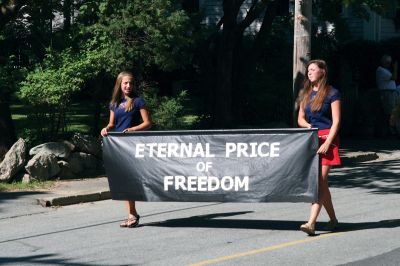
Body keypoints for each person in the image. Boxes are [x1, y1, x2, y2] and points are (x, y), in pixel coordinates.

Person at [101, 71, 152, 228]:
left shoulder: (138, 101)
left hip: (133, 145)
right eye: (125, 83)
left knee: (130, 179)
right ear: (120, 84)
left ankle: (132, 214)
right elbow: (112, 123)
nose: (128, 85)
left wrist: (133, 129)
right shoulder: (114, 104)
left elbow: (148, 123)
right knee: (124, 180)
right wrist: (106, 129)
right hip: (118, 146)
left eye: (131, 83)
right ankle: (132, 213)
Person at [297, 59, 341, 236]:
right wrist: (308, 127)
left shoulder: (332, 93)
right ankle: (333, 220)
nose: (309, 72)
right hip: (312, 139)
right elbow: (300, 118)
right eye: (308, 70)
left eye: (313, 69)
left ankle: (311, 223)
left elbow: (336, 121)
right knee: (322, 184)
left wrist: (328, 142)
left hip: (328, 140)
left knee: (319, 182)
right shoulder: (305, 93)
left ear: (322, 72)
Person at [376, 54, 400, 123]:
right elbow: (394, 77)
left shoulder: (385, 70)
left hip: (390, 93)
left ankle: (391, 127)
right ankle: (390, 128)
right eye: (388, 62)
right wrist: (395, 67)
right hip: (387, 93)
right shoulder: (381, 70)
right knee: (390, 111)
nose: (389, 64)